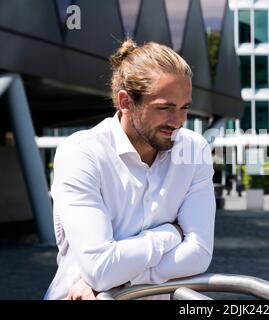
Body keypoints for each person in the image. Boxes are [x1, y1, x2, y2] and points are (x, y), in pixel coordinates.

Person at [44, 39, 216, 300]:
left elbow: (199, 254)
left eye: (184, 108)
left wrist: (124, 283)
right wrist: (171, 233)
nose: (179, 121)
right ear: (125, 102)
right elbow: (101, 269)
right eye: (165, 108)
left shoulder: (195, 149)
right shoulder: (81, 153)